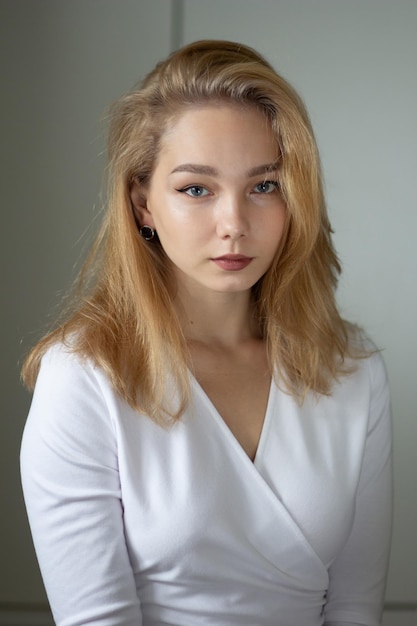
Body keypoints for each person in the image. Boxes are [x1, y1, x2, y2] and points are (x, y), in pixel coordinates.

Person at [20, 40, 393, 626]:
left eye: (264, 186)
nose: (235, 225)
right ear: (142, 202)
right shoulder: (85, 375)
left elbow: (354, 609)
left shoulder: (351, 369)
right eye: (197, 189)